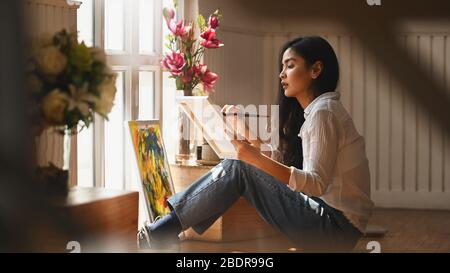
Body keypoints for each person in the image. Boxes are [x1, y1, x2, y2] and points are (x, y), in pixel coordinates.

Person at [138, 36, 374, 252]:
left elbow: (316, 184)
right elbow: (282, 165)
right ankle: (165, 230)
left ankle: (162, 231)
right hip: (332, 225)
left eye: (290, 66)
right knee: (241, 164)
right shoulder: (318, 112)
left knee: (240, 166)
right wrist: (243, 129)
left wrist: (252, 158)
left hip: (333, 229)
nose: (281, 74)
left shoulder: (325, 113)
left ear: (316, 69)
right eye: (282, 67)